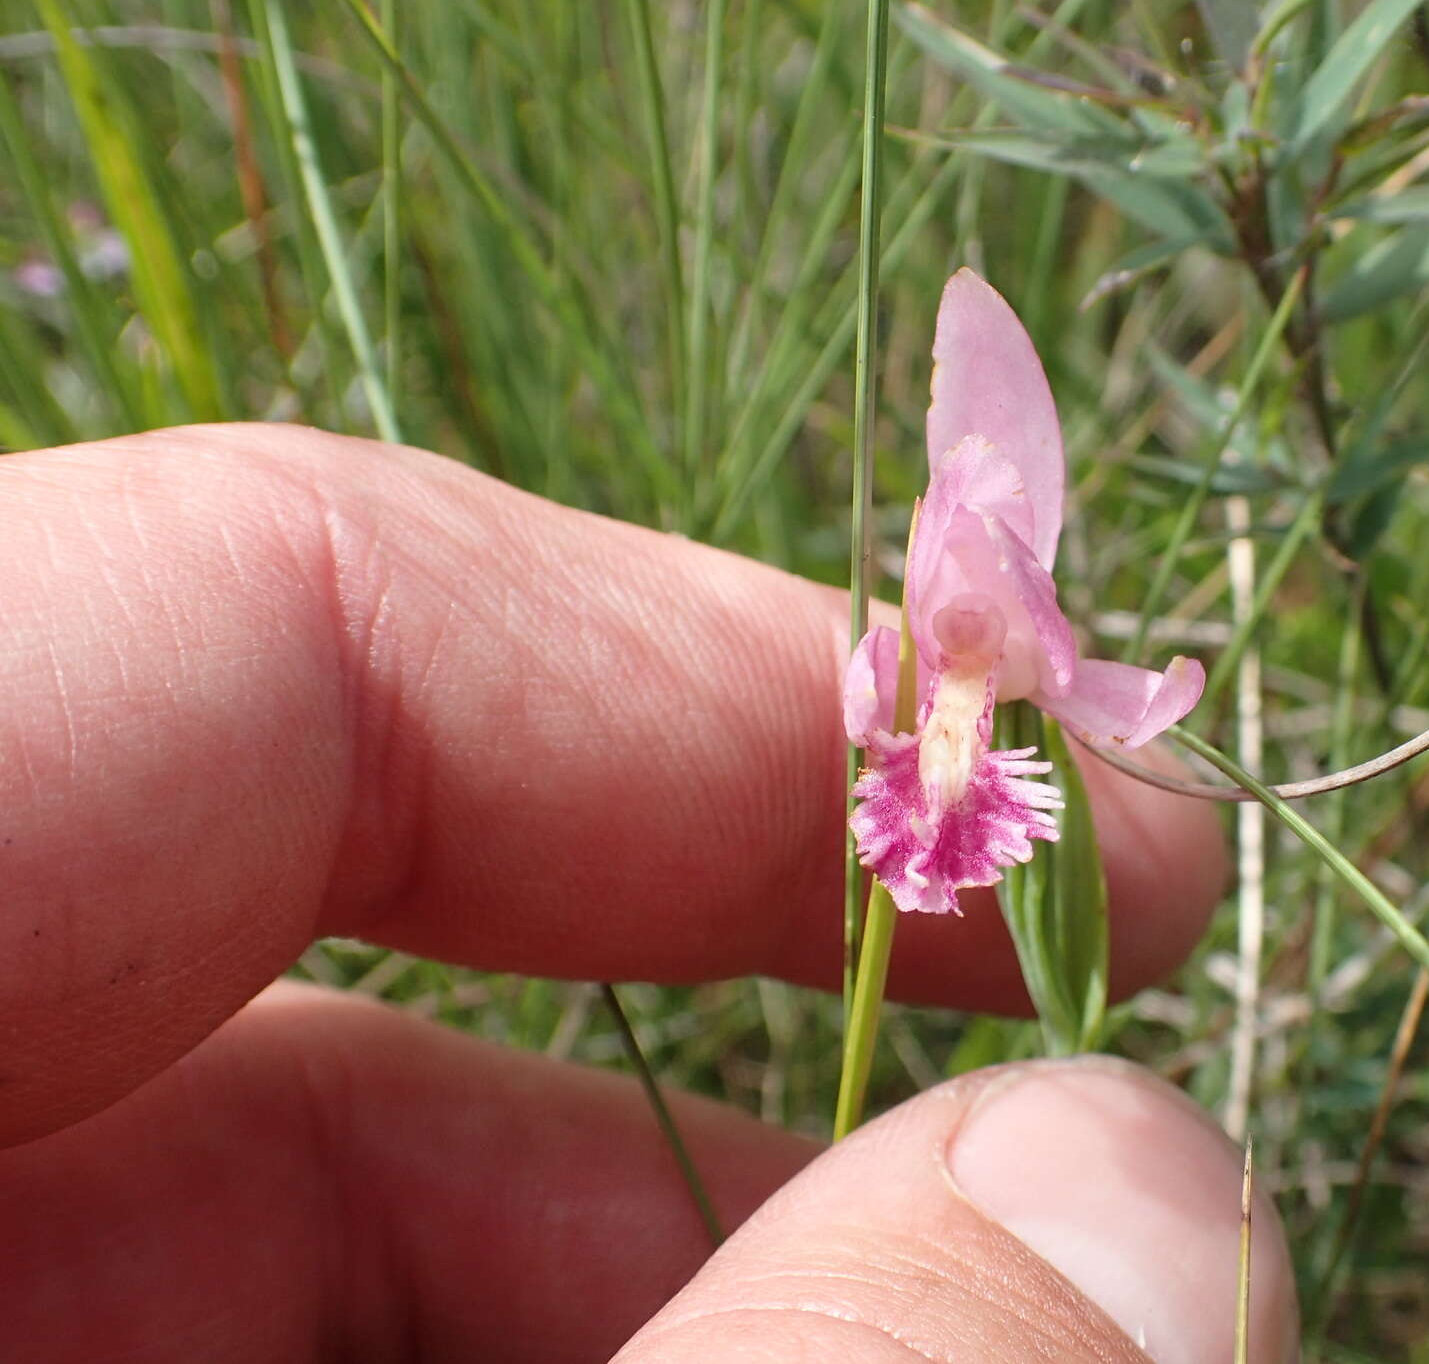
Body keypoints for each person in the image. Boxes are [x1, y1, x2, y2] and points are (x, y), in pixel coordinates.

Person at [0, 424, 1297, 1362]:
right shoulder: (911, 671)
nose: (959, 637)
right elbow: (909, 683)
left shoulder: (971, 673)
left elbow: (1133, 695)